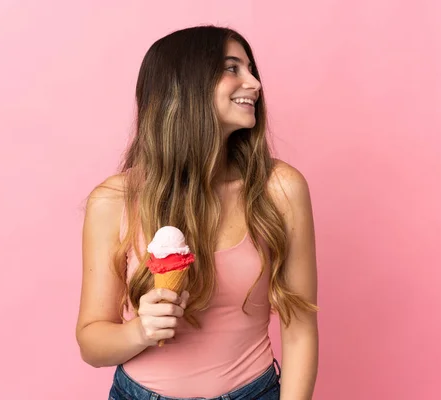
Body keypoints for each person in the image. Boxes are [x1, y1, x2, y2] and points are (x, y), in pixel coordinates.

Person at [76, 25, 319, 400]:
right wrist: (140, 331)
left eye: (251, 69)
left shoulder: (280, 188)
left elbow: (300, 326)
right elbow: (91, 343)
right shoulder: (113, 200)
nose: (254, 83)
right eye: (233, 68)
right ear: (185, 84)